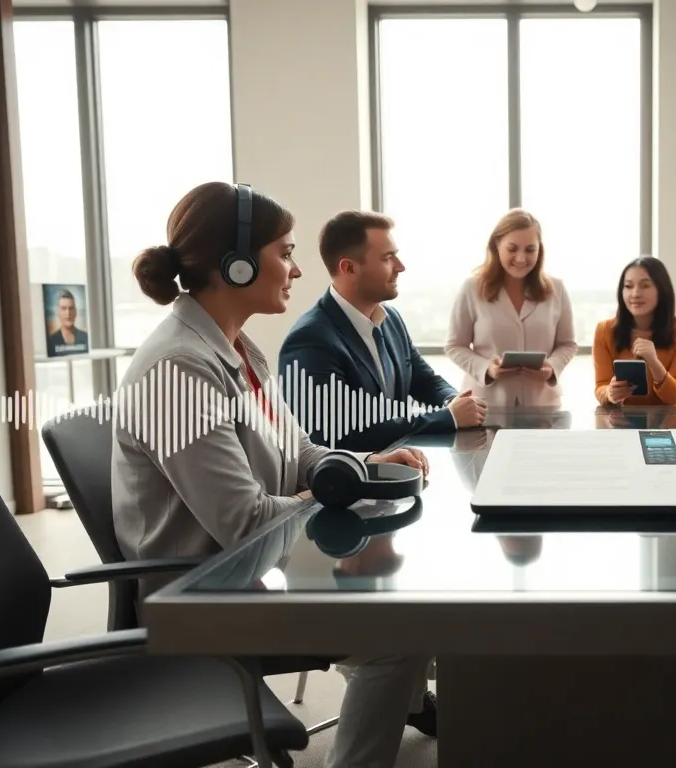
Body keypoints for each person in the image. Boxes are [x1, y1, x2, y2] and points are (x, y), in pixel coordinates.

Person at [111, 181, 436, 768]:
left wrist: (362, 466)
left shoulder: (237, 349)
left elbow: (300, 453)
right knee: (398, 636)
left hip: (260, 569)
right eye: (284, 252)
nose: (295, 269)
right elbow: (246, 525)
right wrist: (340, 489)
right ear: (235, 265)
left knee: (408, 602)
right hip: (209, 597)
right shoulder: (177, 370)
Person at [279, 211, 487, 452]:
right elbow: (337, 434)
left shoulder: (391, 319)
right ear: (349, 268)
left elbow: (423, 379)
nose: (400, 267)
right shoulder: (310, 340)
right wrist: (448, 418)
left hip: (396, 471)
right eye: (388, 258)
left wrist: (453, 400)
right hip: (350, 484)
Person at [444, 209, 578, 407]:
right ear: (496, 245)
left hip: (543, 406)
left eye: (530, 250)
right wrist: (486, 368)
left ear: (539, 250)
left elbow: (567, 344)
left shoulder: (556, 289)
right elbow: (454, 346)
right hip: (487, 405)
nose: (521, 258)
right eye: (512, 249)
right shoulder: (472, 288)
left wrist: (552, 367)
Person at [593, 256, 676, 406]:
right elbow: (600, 387)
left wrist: (654, 362)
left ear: (661, 289)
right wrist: (609, 393)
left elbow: (674, 396)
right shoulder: (604, 330)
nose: (635, 294)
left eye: (645, 285)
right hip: (620, 423)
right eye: (628, 286)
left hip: (666, 423)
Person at [46, 288, 90, 356]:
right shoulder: (51, 341)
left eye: (71, 308)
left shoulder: (85, 337)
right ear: (58, 312)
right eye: (64, 308)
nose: (68, 313)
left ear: (75, 312)